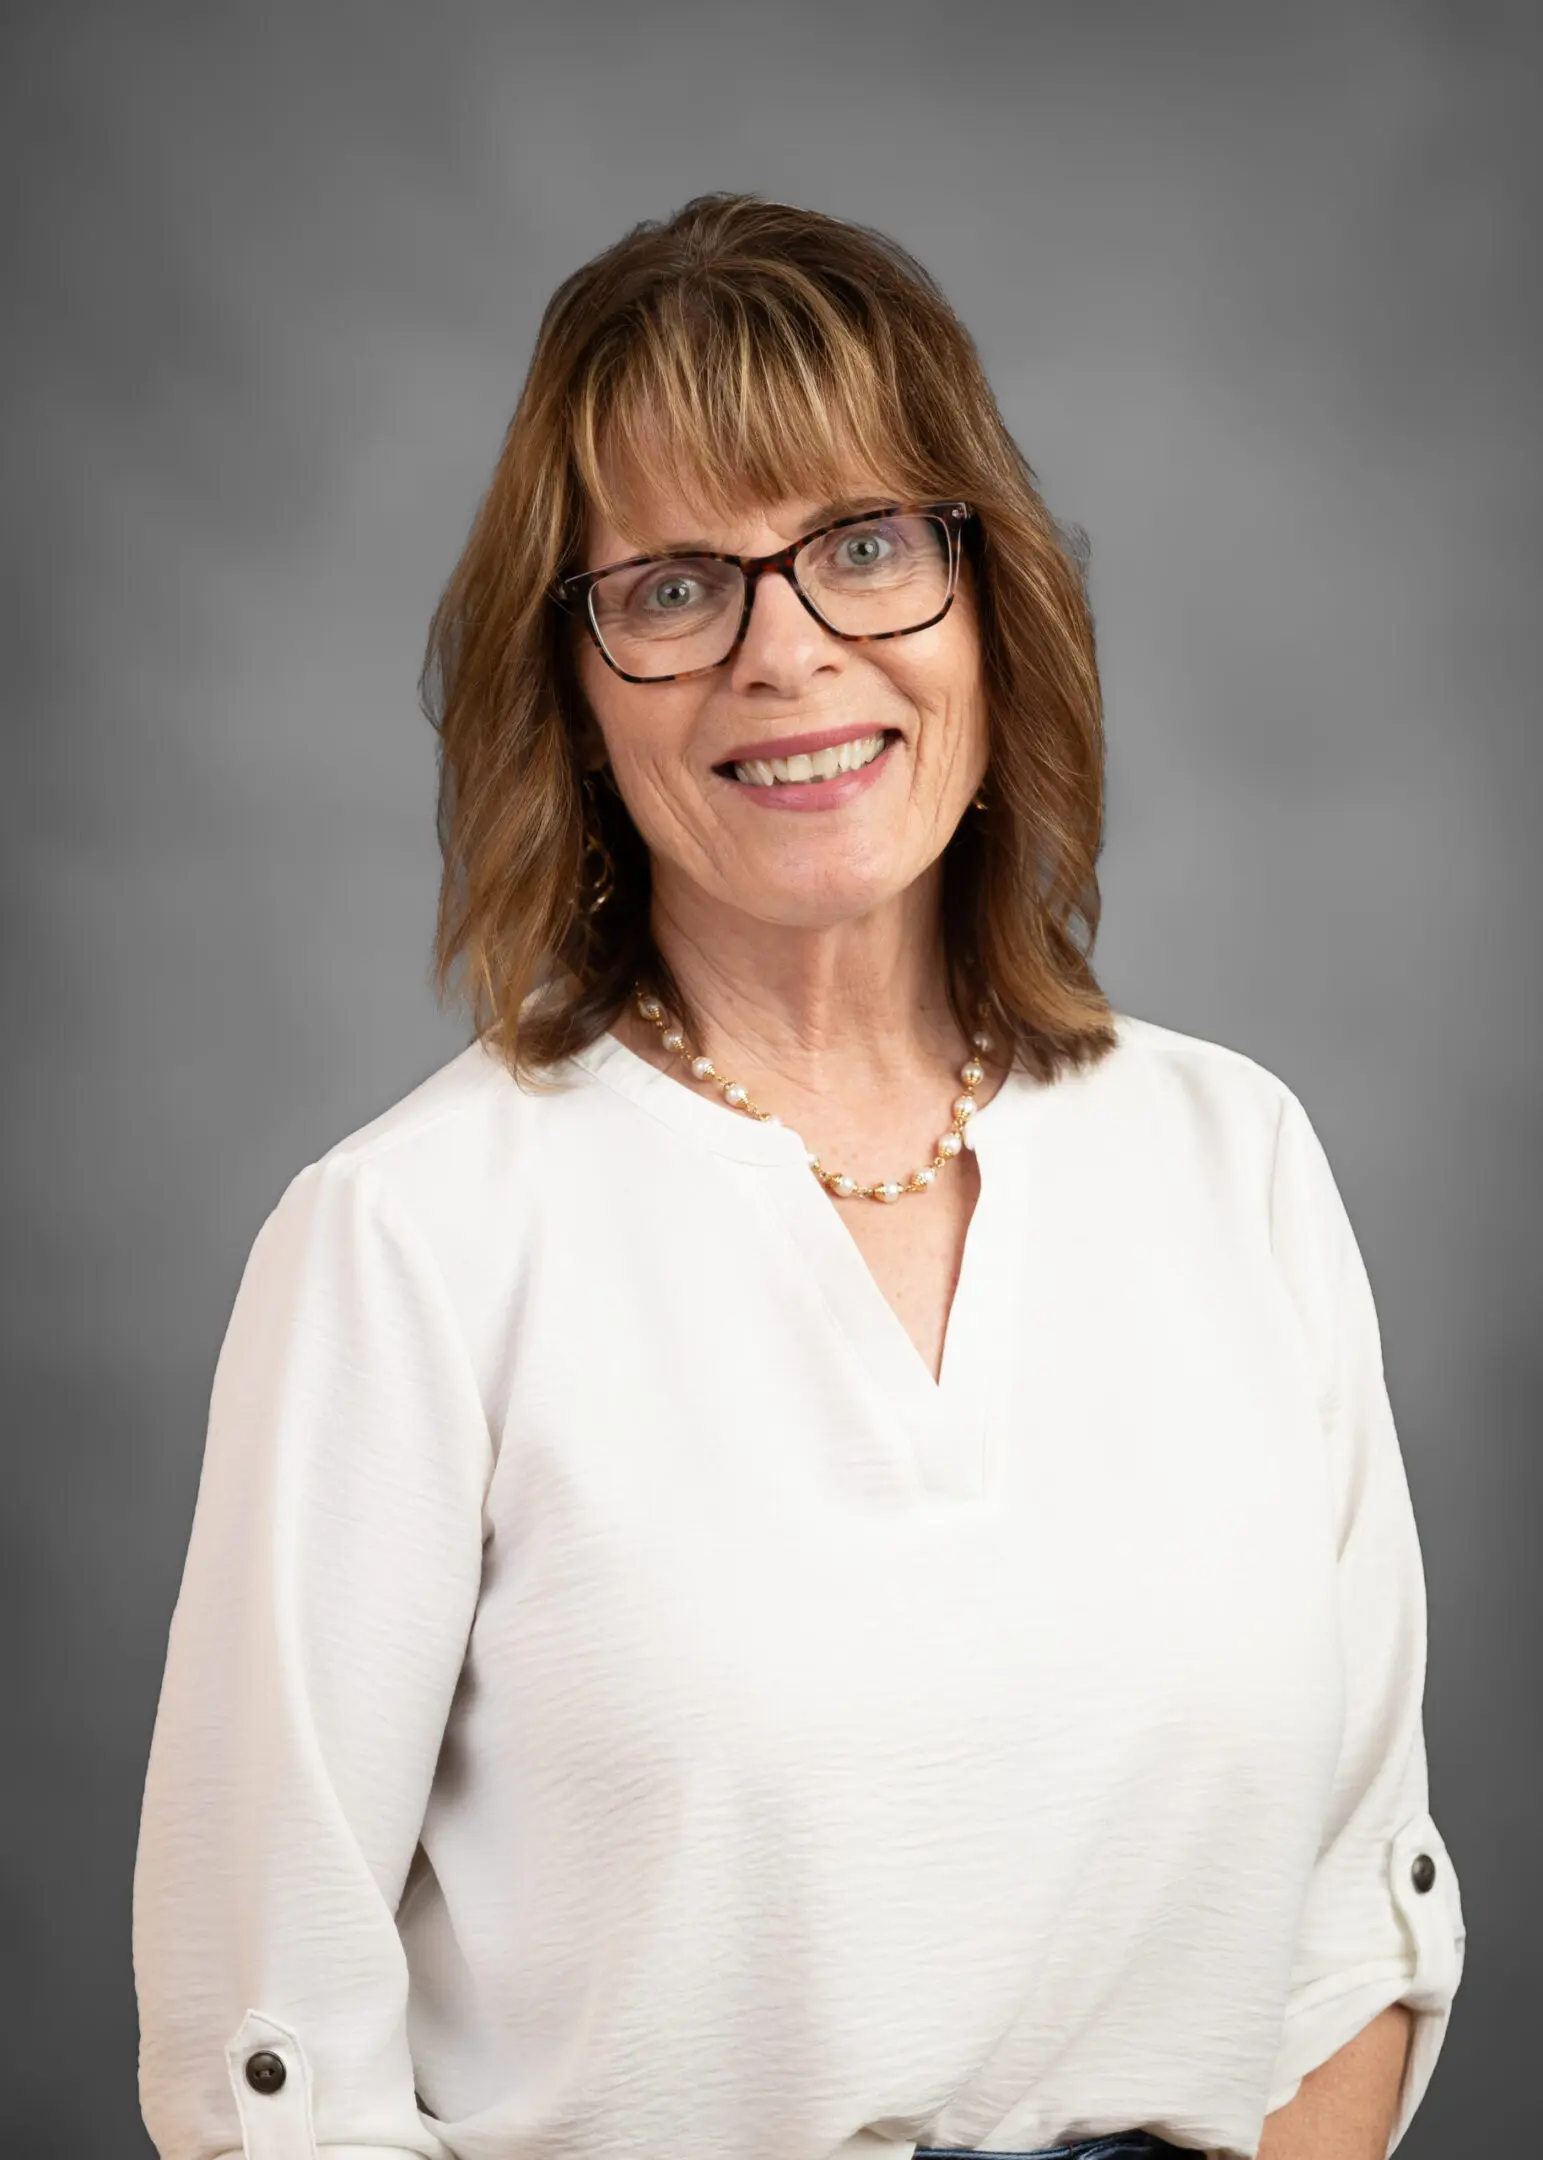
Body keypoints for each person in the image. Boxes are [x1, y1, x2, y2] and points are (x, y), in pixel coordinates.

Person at [131, 194, 1465, 2160]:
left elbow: (1358, 1929)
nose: (790, 654)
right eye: (675, 586)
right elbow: (274, 2072)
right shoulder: (411, 1245)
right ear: (576, 692)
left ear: (987, 604)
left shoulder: (1233, 1163)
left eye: (862, 546)